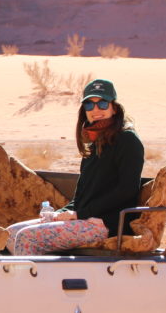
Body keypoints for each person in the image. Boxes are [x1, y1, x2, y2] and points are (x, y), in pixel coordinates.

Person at [7, 78, 144, 255]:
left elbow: (127, 189)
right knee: (10, 233)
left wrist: (80, 214)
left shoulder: (127, 140)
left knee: (27, 237)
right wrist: (61, 213)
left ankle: (30, 282)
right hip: (85, 218)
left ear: (114, 108)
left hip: (106, 223)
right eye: (89, 105)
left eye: (102, 103)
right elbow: (82, 196)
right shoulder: (95, 144)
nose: (96, 110)